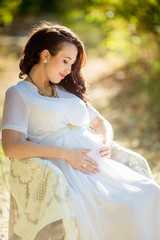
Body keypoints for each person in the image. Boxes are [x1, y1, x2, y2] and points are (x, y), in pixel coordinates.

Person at [1, 22, 160, 240]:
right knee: (112, 210)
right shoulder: (19, 94)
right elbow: (11, 146)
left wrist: (106, 141)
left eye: (72, 63)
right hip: (64, 172)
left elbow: (101, 122)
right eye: (65, 61)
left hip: (97, 167)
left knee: (148, 193)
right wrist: (66, 154)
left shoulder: (65, 89)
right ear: (45, 55)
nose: (68, 69)